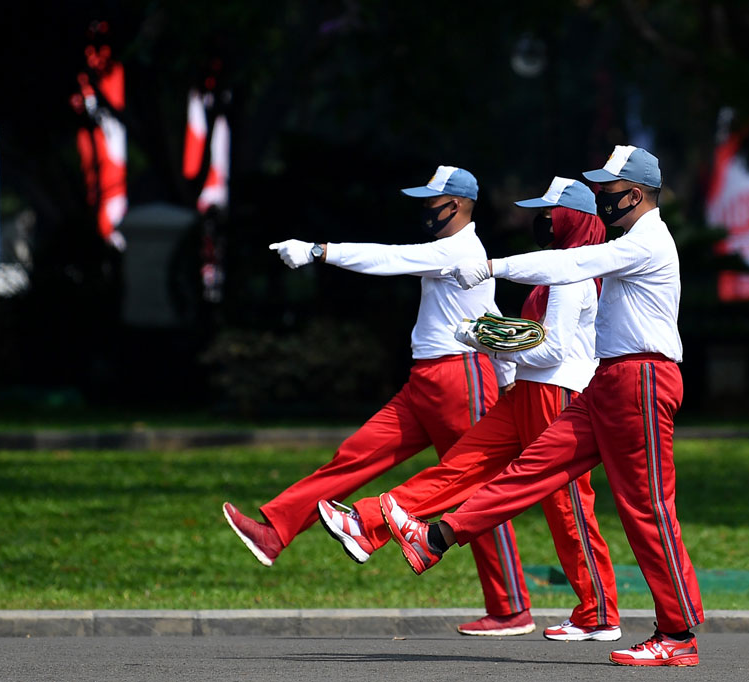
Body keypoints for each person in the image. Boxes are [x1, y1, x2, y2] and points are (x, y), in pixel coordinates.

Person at [382, 146, 705, 667]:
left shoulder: (647, 241)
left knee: (648, 510)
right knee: (532, 468)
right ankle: (436, 537)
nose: (600, 199)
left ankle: (678, 634)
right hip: (610, 380)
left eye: (609, 191)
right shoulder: (631, 239)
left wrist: (491, 266)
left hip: (642, 380)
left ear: (638, 194)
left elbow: (572, 262)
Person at [318, 177, 621, 641]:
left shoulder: (570, 273)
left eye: (549, 213)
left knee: (567, 508)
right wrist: (494, 335)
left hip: (557, 394)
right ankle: (366, 523)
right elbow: (533, 337)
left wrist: (488, 343)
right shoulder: (555, 267)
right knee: (460, 466)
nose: (540, 220)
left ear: (571, 219)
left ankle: (598, 614)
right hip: (527, 391)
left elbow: (552, 351)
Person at [222, 165, 526, 620]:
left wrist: (319, 251)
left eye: (432, 201)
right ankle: (275, 531)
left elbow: (389, 259)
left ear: (458, 205)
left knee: (471, 489)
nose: (425, 210)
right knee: (355, 454)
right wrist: (508, 377)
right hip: (428, 381)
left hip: (459, 379)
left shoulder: (459, 249)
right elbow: (489, 312)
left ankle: (510, 609)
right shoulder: (456, 250)